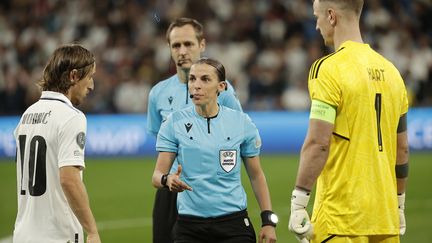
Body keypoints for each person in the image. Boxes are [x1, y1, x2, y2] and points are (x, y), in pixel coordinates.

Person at [288, 1, 409, 243]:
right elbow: (402, 149)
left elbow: (318, 143)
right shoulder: (393, 73)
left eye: (318, 17)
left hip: (340, 218)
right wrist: (398, 205)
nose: (317, 25)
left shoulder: (328, 69)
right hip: (385, 220)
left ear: (331, 16)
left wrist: (299, 202)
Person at [152, 58, 277, 243]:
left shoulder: (241, 123)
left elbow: (256, 175)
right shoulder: (173, 122)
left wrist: (268, 221)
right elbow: (156, 175)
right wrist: (167, 179)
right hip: (189, 226)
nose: (196, 85)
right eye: (192, 79)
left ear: (221, 87)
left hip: (234, 224)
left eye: (205, 79)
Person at [147, 17, 242, 243]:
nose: (182, 51)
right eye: (176, 45)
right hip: (170, 188)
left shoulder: (224, 91)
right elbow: (158, 140)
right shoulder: (158, 93)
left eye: (188, 44)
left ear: (202, 45)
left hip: (210, 191)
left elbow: (238, 136)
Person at [13, 44, 101, 243]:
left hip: (23, 234)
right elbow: (69, 179)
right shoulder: (72, 117)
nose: (92, 86)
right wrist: (93, 231)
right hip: (58, 236)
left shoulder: (27, 115)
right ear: (74, 76)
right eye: (90, 77)